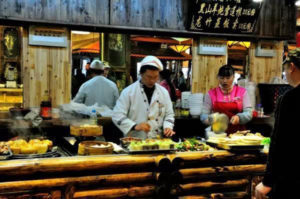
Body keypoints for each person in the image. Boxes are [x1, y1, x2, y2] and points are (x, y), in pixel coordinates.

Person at [255, 49, 300, 199]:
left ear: (292, 67)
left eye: (285, 70)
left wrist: (267, 181)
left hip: (291, 178)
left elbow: (280, 142)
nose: (285, 75)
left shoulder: (290, 98)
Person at [112, 55, 175, 139]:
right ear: (141, 74)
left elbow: (169, 114)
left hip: (158, 140)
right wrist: (135, 126)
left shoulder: (163, 92)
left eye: (155, 77)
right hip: (135, 140)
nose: (152, 80)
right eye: (149, 77)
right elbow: (117, 115)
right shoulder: (128, 92)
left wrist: (168, 127)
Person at [200, 64, 252, 134]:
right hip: (217, 134)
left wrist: (239, 118)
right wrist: (211, 119)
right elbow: (203, 115)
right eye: (222, 78)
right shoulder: (210, 94)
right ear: (218, 77)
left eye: (228, 78)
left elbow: (249, 113)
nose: (224, 81)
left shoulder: (242, 92)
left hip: (238, 134)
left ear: (233, 77)